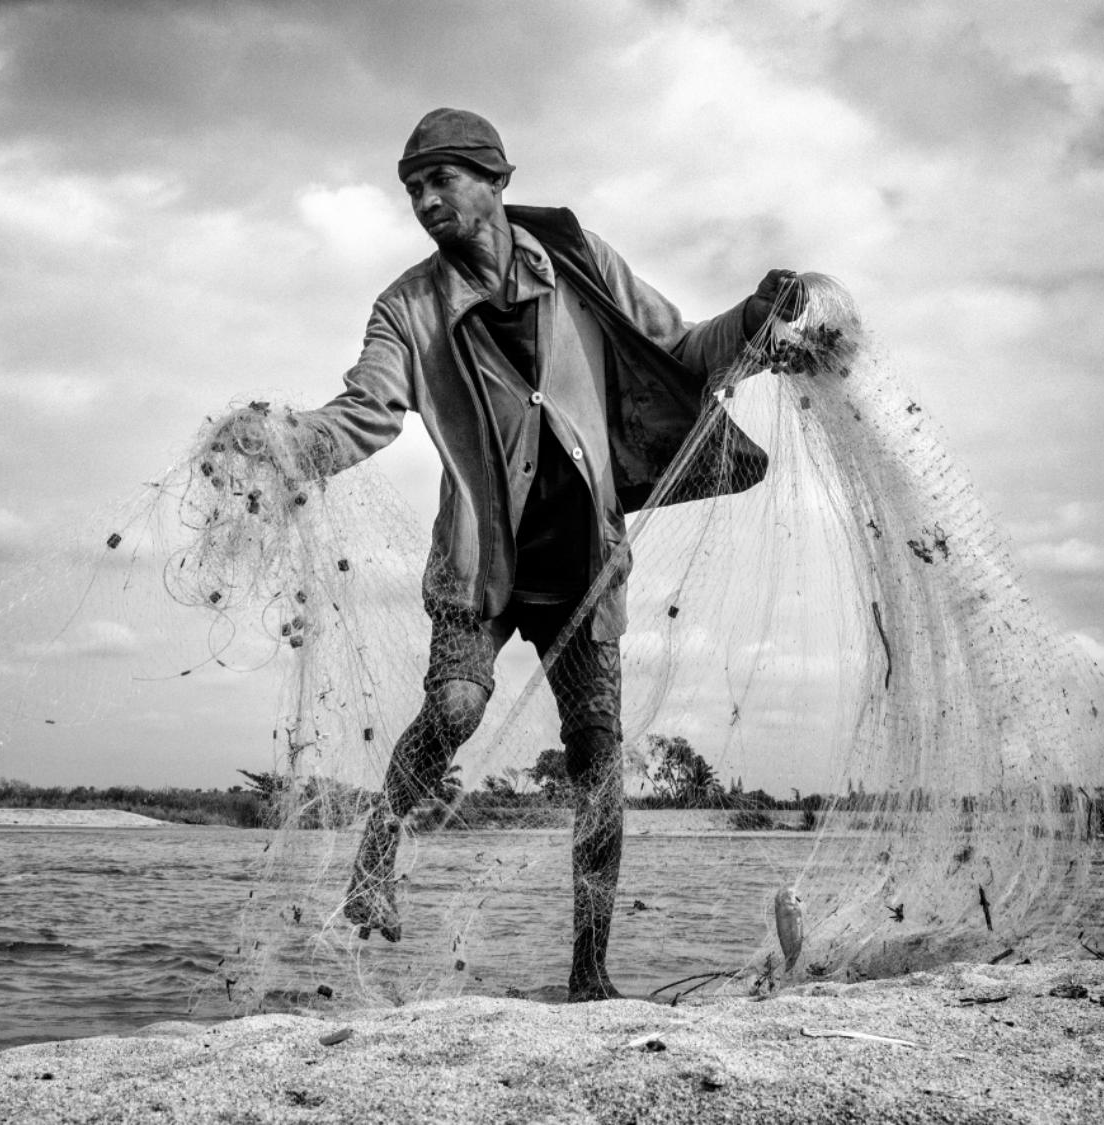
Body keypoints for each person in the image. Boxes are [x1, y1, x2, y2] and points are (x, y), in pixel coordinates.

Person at [259, 108, 803, 1001]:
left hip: (584, 560)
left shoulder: (577, 261)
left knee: (596, 753)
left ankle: (590, 974)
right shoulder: (407, 307)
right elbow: (365, 410)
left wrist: (753, 314)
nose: (425, 200)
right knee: (457, 707)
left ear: (495, 180)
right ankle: (376, 854)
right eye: (412, 188)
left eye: (441, 179)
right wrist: (282, 443)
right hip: (482, 561)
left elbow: (680, 346)